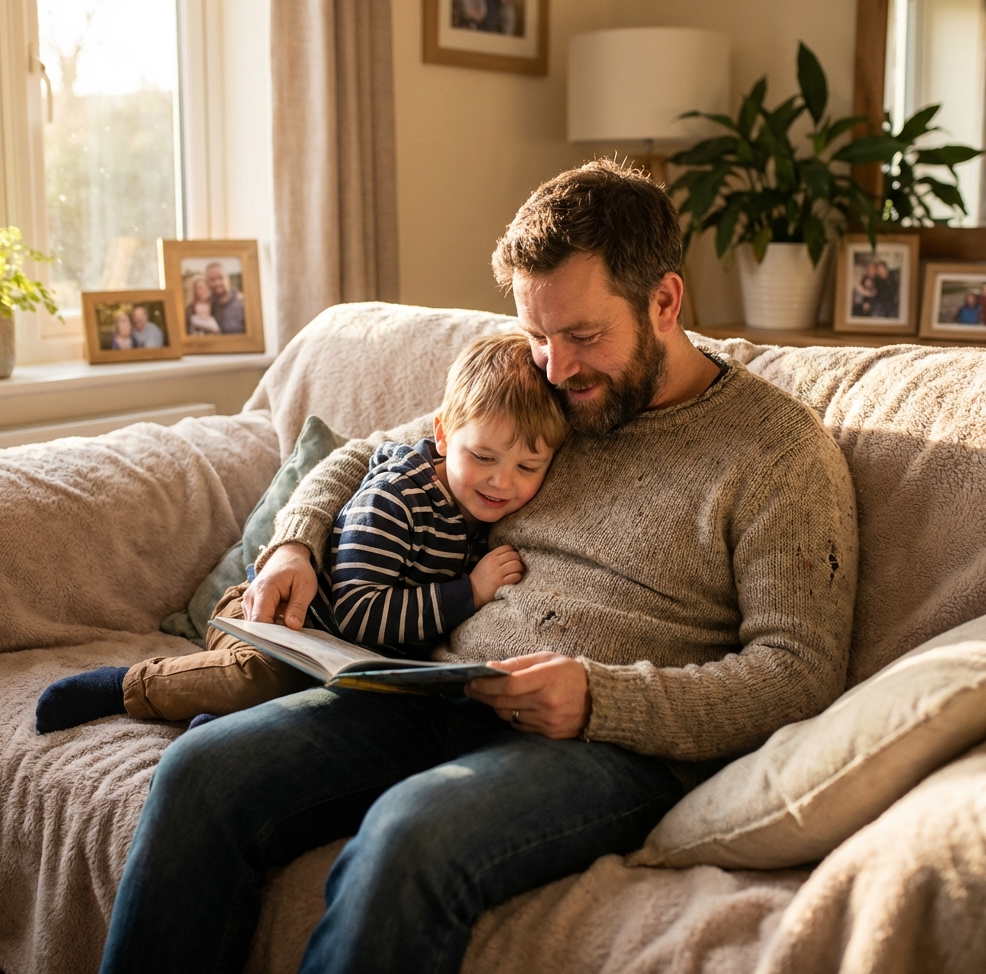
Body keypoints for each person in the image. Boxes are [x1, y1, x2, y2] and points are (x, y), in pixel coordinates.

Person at [96, 160, 858, 974]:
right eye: (537, 333)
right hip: (431, 686)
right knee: (200, 774)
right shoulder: (546, 387)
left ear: (666, 302)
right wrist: (295, 540)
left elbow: (798, 672)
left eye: (584, 336)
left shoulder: (778, 453)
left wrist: (602, 697)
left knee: (410, 834)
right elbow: (371, 453)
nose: (555, 368)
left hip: (608, 744)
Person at [34, 333, 567, 733]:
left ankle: (215, 722)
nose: (502, 482)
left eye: (528, 467)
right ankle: (125, 687)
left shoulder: (478, 509)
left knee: (330, 710)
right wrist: (468, 592)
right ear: (444, 435)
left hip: (338, 655)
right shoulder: (397, 496)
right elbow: (360, 611)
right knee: (264, 677)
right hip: (269, 619)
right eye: (484, 457)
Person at [206, 262, 246, 334]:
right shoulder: (203, 305)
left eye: (220, 278)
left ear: (227, 278)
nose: (217, 283)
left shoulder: (243, 303)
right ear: (207, 282)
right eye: (212, 279)